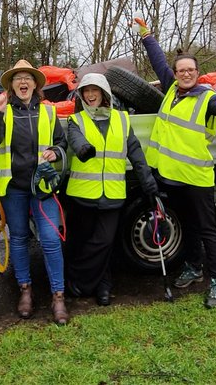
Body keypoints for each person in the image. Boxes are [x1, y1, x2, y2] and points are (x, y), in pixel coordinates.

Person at [133, 19, 216, 309]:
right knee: (190, 227)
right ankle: (194, 267)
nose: (185, 74)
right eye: (181, 70)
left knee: (208, 230)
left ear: (197, 74)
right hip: (170, 176)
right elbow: (158, 61)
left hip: (196, 178)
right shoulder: (170, 89)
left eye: (190, 71)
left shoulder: (208, 98)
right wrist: (147, 35)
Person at [0, 60, 70, 324]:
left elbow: (61, 143)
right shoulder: (2, 111)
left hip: (42, 188)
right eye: (18, 78)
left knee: (50, 240)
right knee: (20, 238)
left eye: (28, 78)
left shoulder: (48, 113)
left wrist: (55, 151)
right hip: (14, 189)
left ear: (35, 84)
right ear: (11, 85)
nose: (23, 82)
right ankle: (25, 290)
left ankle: (58, 296)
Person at [63, 73, 158, 307]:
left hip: (113, 194)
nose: (91, 95)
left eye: (95, 90)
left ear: (105, 93)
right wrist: (83, 148)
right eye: (86, 91)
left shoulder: (122, 120)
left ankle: (80, 282)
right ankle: (103, 286)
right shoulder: (77, 120)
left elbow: (136, 155)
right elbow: (74, 140)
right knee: (82, 242)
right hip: (83, 194)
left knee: (104, 242)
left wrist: (149, 184)